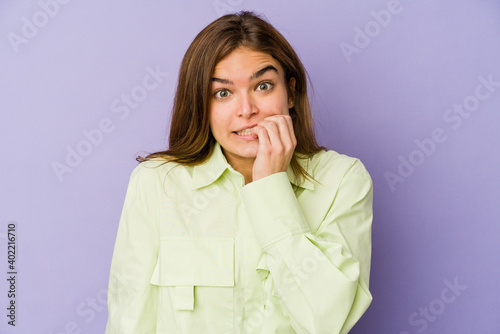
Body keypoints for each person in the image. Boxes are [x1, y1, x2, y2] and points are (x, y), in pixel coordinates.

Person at [105, 11, 373, 334]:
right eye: (223, 93)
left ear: (289, 92)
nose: (246, 110)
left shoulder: (343, 180)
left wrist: (271, 187)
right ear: (201, 104)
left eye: (263, 85)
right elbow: (129, 322)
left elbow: (329, 321)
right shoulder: (156, 184)